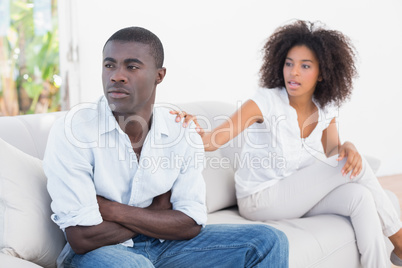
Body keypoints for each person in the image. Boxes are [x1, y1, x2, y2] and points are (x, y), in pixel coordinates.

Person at [43, 26, 288, 268]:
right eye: (109, 65)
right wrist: (158, 211)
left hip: (166, 245)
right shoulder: (73, 131)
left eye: (132, 66)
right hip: (101, 252)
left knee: (268, 241)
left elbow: (190, 222)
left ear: (159, 75)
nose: (117, 75)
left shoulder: (181, 129)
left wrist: (113, 210)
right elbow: (82, 238)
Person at [173, 20, 402, 268]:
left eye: (305, 66)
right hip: (260, 199)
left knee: (359, 196)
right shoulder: (265, 102)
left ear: (322, 72)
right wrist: (190, 127)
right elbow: (212, 141)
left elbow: (334, 154)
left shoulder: (325, 107)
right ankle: (399, 241)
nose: (293, 73)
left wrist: (349, 146)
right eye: (289, 64)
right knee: (348, 168)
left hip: (295, 196)